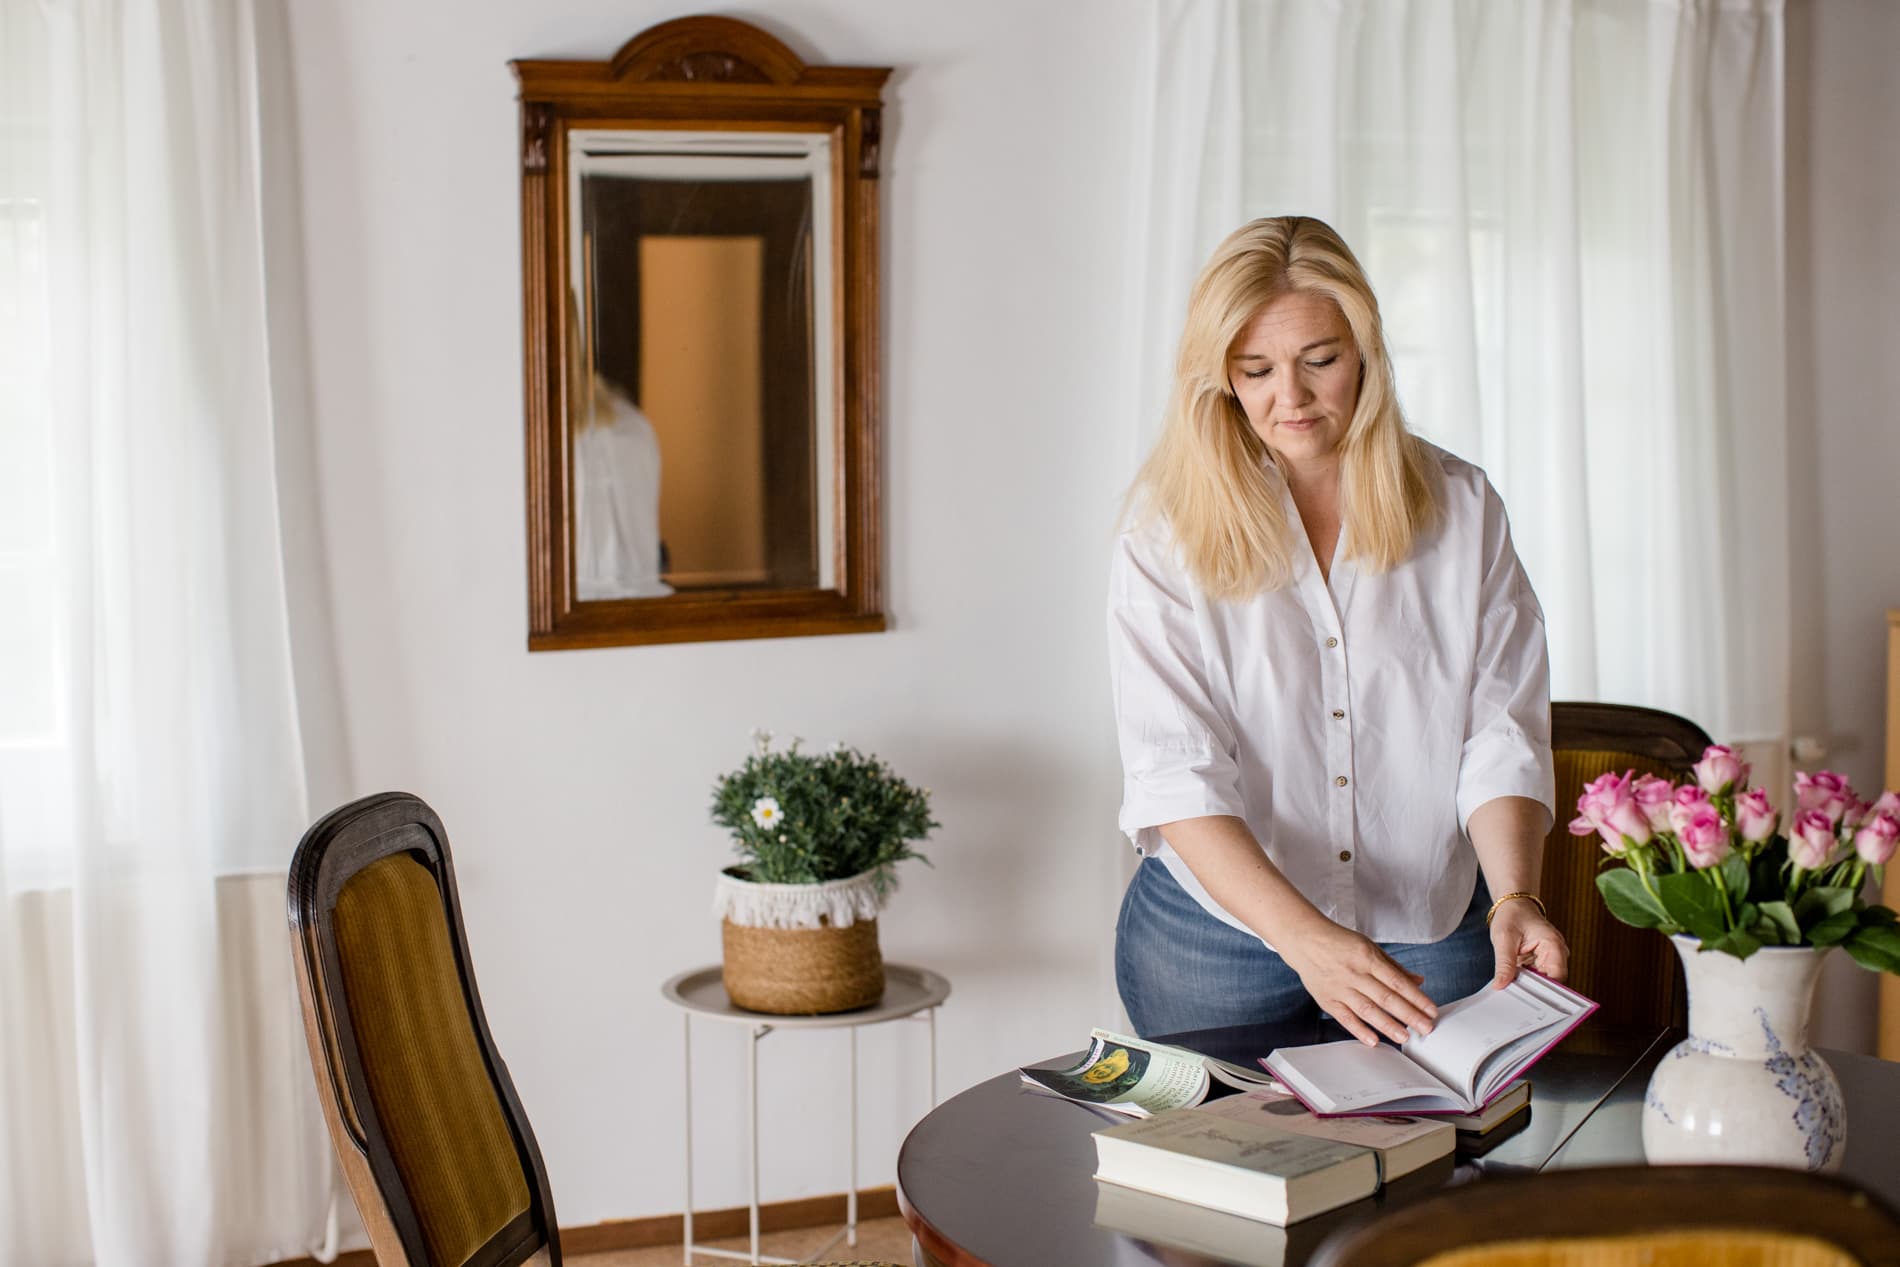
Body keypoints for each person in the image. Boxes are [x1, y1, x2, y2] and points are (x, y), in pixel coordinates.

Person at [1109, 215, 1568, 1046]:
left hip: (1431, 925)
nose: (1291, 396)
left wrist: (1515, 895)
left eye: (1319, 359)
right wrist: (1306, 939)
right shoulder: (1162, 532)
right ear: (1221, 378)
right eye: (1256, 369)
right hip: (1216, 939)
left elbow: (1501, 732)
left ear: (1365, 351)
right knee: (1227, 1169)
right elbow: (1176, 774)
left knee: (1438, 1170)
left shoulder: (1463, 510)